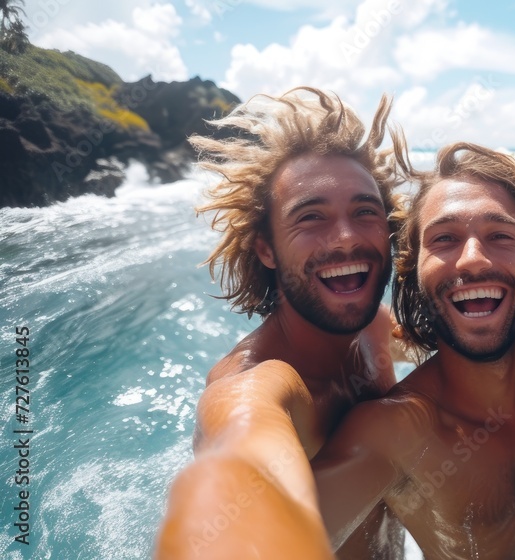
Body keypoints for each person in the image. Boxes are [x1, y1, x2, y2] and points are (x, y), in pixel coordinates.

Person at [156, 87, 408, 560]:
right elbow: (239, 456)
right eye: (310, 217)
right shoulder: (254, 382)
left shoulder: (374, 326)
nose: (347, 237)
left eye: (365, 212)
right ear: (266, 249)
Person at [311, 142, 515, 559]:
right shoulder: (394, 431)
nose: (472, 259)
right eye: (444, 239)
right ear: (413, 273)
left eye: (500, 235)